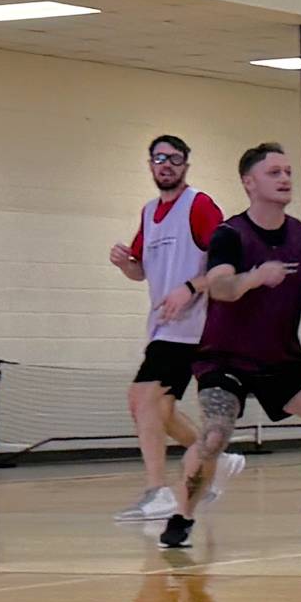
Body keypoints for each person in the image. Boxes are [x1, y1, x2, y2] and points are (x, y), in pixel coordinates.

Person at [158, 142, 301, 550]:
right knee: (215, 435)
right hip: (225, 357)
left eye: (288, 171)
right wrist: (254, 277)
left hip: (281, 357)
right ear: (249, 182)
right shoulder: (229, 234)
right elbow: (220, 287)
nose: (286, 178)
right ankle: (182, 515)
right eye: (275, 172)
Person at [108, 134, 241, 523]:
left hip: (194, 325)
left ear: (186, 165)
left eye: (174, 158)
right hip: (163, 325)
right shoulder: (149, 213)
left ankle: (157, 491)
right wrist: (123, 264)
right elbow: (140, 271)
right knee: (159, 411)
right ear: (149, 165)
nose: (166, 165)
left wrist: (190, 289)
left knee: (142, 399)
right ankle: (216, 457)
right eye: (158, 158)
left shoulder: (198, 206)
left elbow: (223, 264)